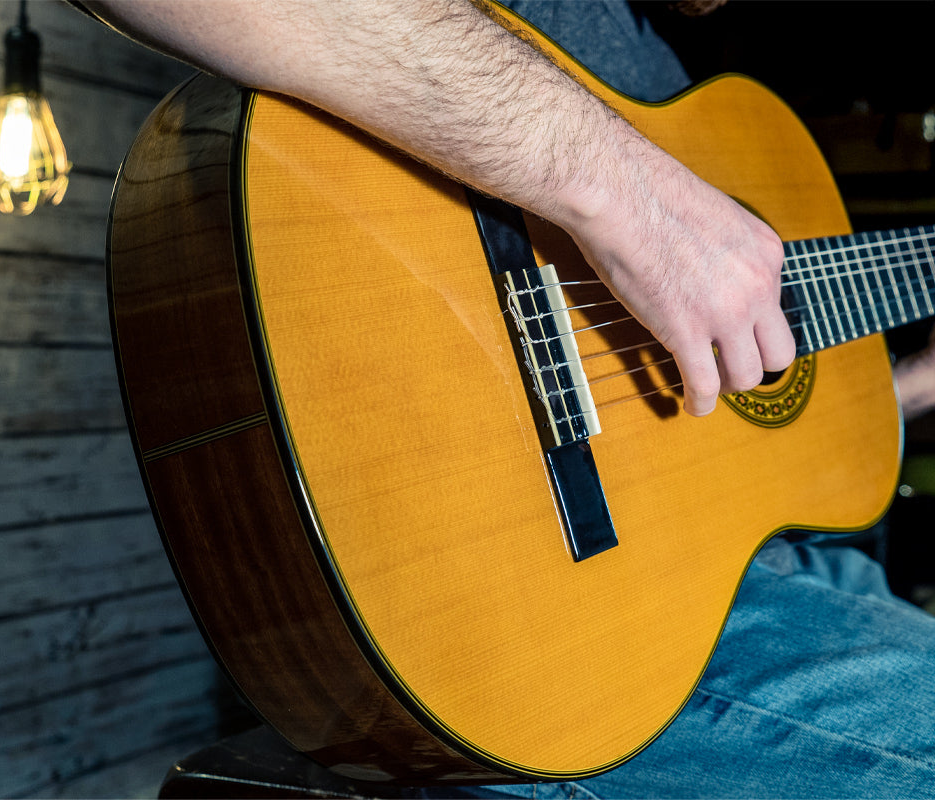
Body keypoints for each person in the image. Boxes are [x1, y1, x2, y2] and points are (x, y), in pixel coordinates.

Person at [84, 1, 935, 796]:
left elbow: (727, 451)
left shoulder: (667, 62)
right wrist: (625, 188)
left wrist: (915, 386)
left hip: (717, 587)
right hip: (565, 651)